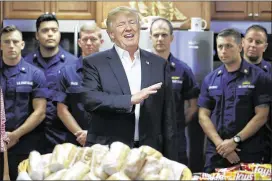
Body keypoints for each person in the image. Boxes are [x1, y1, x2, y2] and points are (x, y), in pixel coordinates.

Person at [82, 6, 177, 160]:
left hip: (150, 152)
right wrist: (130, 99)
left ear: (139, 28)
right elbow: (90, 100)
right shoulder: (94, 63)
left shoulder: (159, 64)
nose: (128, 28)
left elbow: (169, 117)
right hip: (108, 152)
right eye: (121, 24)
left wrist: (172, 160)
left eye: (132, 22)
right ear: (111, 34)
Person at [198, 28, 271, 172]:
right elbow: (202, 116)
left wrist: (234, 141)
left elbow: (261, 116)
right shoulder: (210, 79)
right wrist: (222, 145)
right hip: (216, 152)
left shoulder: (259, 77)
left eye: (229, 46)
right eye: (220, 46)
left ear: (240, 46)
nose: (223, 51)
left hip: (248, 151)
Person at [24, 13, 77, 153]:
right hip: (30, 139)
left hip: (64, 138)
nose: (50, 34)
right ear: (36, 35)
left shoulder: (73, 64)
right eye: (45, 30)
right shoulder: (26, 64)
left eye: (54, 30)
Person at [0, 25, 47, 180]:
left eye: (15, 41)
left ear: (22, 44)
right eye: (6, 42)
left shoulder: (35, 74)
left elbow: (40, 112)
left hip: (25, 142)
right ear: (1, 45)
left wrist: (15, 135)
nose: (11, 45)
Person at [150, 18, 199, 165]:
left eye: (164, 35)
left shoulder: (183, 70)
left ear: (172, 37)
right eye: (156, 35)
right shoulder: (140, 67)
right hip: (148, 137)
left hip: (176, 138)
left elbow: (193, 105)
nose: (160, 39)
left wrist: (176, 123)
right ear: (150, 37)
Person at [55, 22, 104, 146]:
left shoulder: (113, 72)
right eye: (85, 39)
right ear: (79, 42)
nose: (88, 43)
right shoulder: (66, 72)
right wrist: (81, 135)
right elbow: (62, 110)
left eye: (93, 39)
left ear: (101, 42)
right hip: (75, 140)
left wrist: (93, 135)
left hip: (104, 139)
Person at [242, 24, 272, 163]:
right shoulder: (228, 71)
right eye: (250, 40)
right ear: (243, 42)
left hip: (267, 141)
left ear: (265, 47)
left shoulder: (270, 72)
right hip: (236, 141)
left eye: (258, 42)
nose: (253, 45)